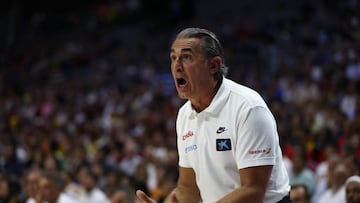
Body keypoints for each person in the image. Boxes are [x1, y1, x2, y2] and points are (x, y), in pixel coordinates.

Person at [136, 27, 291, 203]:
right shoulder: (185, 115)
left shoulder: (248, 107)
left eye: (186, 57)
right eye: (173, 58)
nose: (177, 66)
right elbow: (189, 188)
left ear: (213, 65)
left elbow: (253, 191)